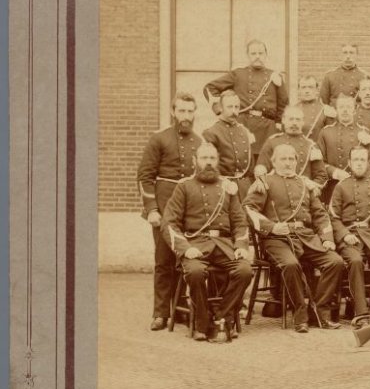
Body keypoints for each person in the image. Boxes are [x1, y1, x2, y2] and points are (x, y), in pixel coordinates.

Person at [243, 144, 345, 332]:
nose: (288, 163)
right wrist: (272, 227)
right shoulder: (264, 182)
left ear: (297, 162)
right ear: (274, 162)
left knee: (335, 262)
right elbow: (248, 209)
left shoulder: (304, 184)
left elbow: (320, 214)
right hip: (276, 240)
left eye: (291, 159)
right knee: (291, 265)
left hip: (305, 237)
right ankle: (300, 315)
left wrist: (327, 238)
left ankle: (318, 311)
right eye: (283, 159)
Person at [161, 143, 253, 341]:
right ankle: (202, 322)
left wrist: (241, 246)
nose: (209, 162)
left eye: (212, 158)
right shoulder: (184, 186)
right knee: (195, 272)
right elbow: (169, 223)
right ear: (195, 161)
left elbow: (240, 222)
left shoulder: (227, 187)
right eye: (204, 158)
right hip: (195, 244)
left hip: (223, 246)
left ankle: (221, 317)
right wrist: (185, 248)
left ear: (217, 161)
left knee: (245, 270)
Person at [137, 92, 202, 331]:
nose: (186, 116)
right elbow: (144, 177)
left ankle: (179, 308)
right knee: (164, 260)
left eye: (190, 111)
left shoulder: (200, 142)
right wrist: (152, 209)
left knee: (183, 259)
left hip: (189, 210)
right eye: (181, 110)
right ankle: (160, 313)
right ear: (173, 112)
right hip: (164, 208)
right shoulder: (159, 139)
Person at [329, 146, 370, 323]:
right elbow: (333, 217)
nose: (359, 163)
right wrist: (344, 235)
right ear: (349, 163)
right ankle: (361, 313)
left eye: (362, 160)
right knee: (356, 261)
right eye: (356, 160)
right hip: (350, 235)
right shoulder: (341, 186)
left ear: (368, 163)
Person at [203, 39, 288, 149]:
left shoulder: (275, 76)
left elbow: (283, 103)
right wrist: (220, 111)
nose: (257, 56)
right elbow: (209, 88)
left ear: (266, 55)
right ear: (247, 56)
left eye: (260, 53)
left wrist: (279, 123)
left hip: (267, 129)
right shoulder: (238, 74)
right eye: (253, 53)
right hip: (243, 126)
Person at [201, 90, 257, 199]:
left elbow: (251, 166)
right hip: (222, 187)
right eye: (230, 107)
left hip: (245, 188)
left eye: (236, 107)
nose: (234, 111)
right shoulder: (211, 133)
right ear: (221, 108)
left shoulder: (244, 132)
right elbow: (208, 167)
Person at [254, 105, 327, 187]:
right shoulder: (272, 142)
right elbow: (261, 168)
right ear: (283, 120)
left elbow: (321, 176)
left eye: (298, 119)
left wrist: (310, 187)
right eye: (291, 119)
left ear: (303, 122)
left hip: (301, 191)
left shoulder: (311, 146)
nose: (294, 123)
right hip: (276, 190)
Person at [317, 92, 370, 200]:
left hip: (359, 187)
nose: (345, 110)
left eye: (348, 107)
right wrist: (334, 172)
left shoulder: (364, 132)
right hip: (332, 187)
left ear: (354, 110)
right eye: (341, 107)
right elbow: (319, 162)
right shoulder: (325, 132)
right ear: (336, 110)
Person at [296, 75, 332, 142]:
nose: (307, 91)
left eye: (311, 87)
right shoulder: (292, 110)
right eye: (303, 87)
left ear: (317, 90)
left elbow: (330, 138)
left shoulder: (325, 110)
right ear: (299, 90)